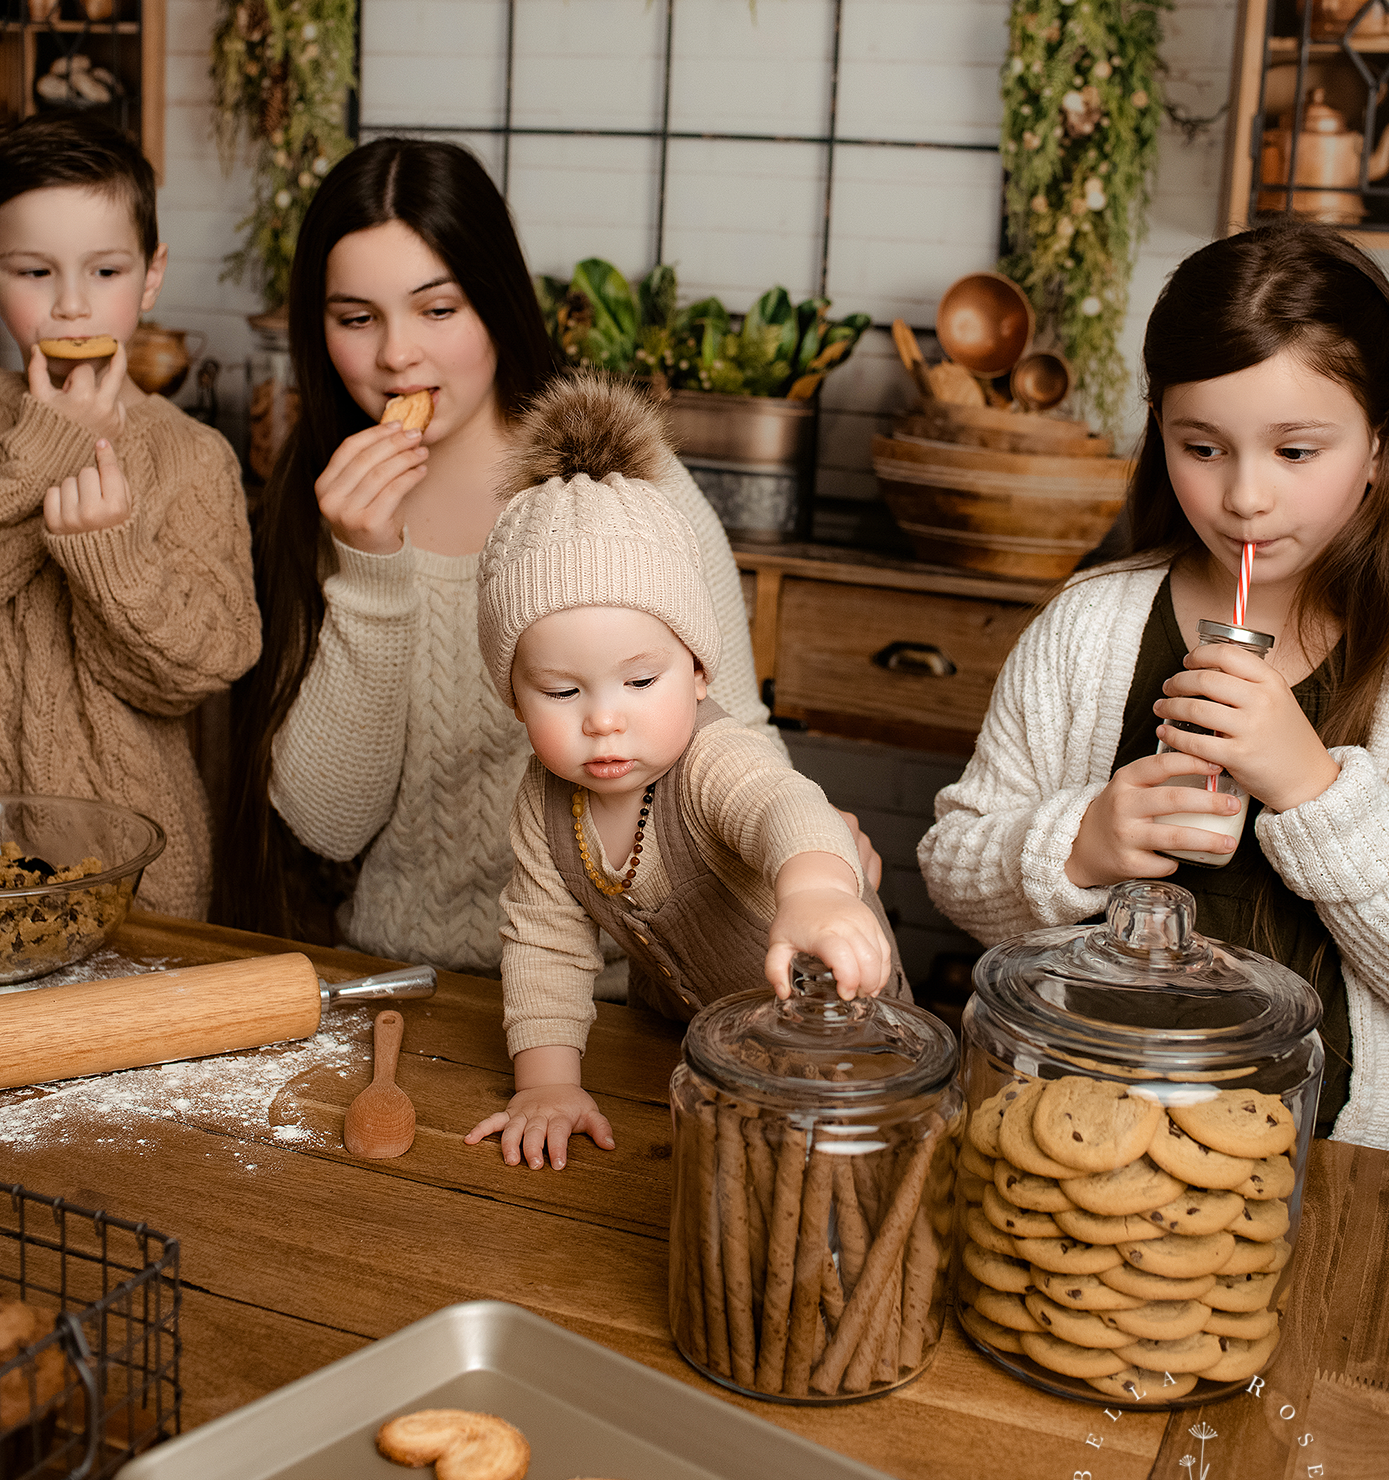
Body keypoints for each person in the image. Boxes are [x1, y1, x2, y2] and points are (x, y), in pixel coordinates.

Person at [228, 137, 878, 961]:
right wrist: (370, 570)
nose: (396, 354)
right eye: (357, 319)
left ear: (497, 302)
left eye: (438, 310)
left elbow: (733, 733)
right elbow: (328, 824)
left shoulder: (623, 484)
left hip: (625, 985)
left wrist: (804, 851)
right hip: (406, 973)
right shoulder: (319, 503)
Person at [918, 223, 1389, 1154]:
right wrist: (1081, 846)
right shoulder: (1087, 627)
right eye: (1203, 447)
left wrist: (1310, 789)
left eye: (1296, 452)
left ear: (1379, 444)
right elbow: (951, 867)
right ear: (1160, 432)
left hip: (1339, 1161)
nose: (1245, 497)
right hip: (1078, 1127)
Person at [466, 370, 906, 1171]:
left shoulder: (710, 758)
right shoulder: (544, 799)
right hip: (690, 1046)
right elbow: (544, 944)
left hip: (838, 1046)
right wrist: (547, 1085)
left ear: (699, 672)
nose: (604, 718)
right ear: (514, 697)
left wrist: (814, 893)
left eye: (640, 681)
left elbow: (784, 806)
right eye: (561, 691)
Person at [0, 117, 260, 917]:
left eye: (105, 270)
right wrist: (46, 454)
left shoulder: (194, 456)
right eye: (34, 271)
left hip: (138, 878)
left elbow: (199, 670)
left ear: (151, 277)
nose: (72, 305)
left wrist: (111, 562)